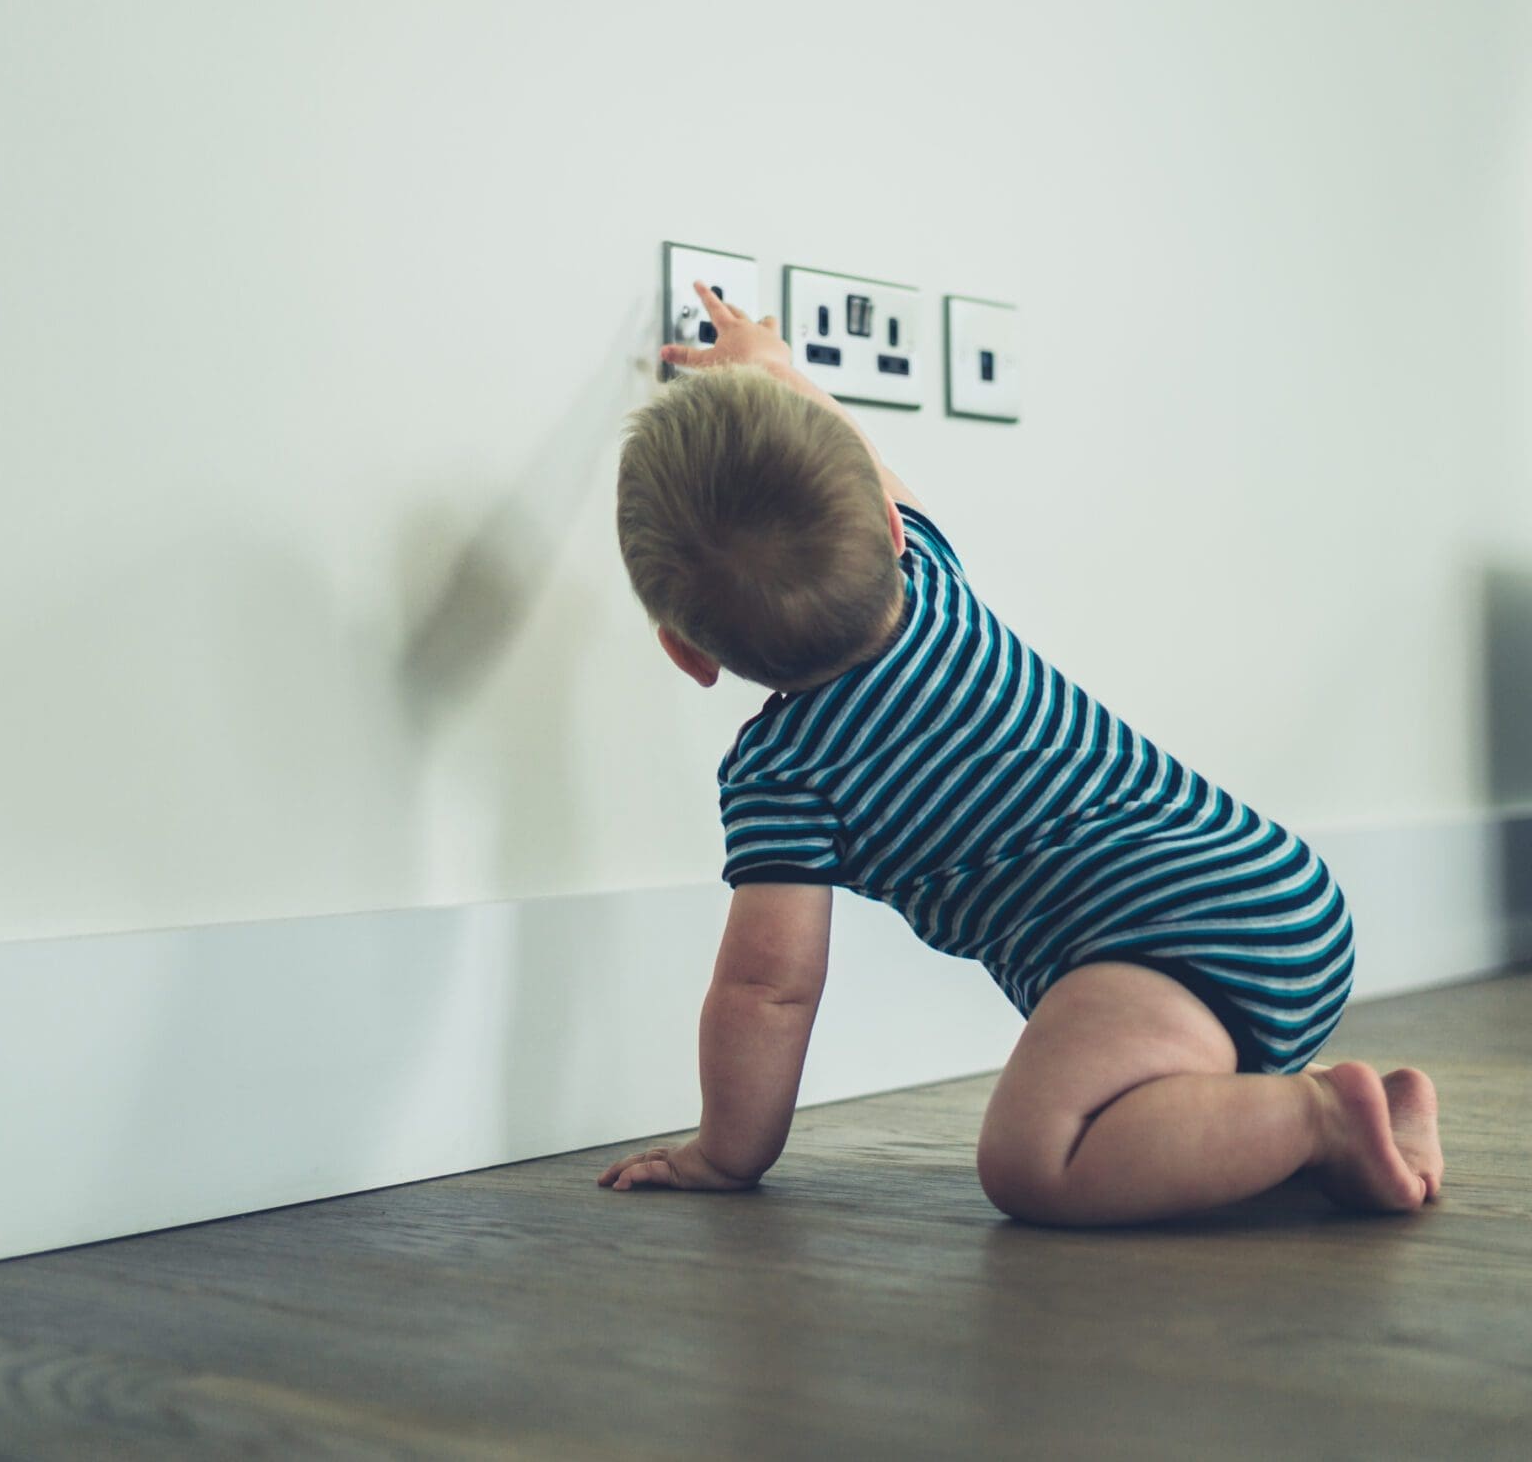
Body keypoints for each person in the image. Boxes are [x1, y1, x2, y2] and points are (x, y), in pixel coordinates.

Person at [596, 284, 1442, 1223]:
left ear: (690, 655)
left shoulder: (782, 777)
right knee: (1144, 1086)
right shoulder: (930, 576)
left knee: (1037, 1156)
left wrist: (726, 1152)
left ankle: (1321, 1118)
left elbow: (767, 989)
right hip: (1278, 888)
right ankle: (1362, 1109)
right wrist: (774, 367)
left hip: (1166, 942)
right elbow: (860, 459)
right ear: (885, 524)